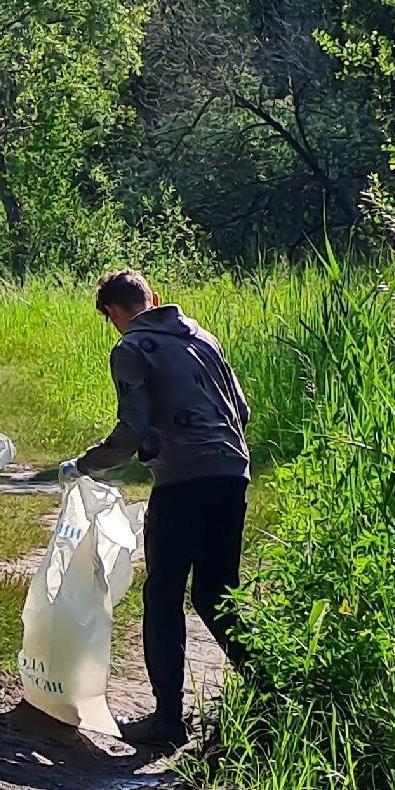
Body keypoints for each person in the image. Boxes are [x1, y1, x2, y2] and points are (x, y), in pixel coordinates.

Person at [59, 269, 252, 748]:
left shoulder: (130, 348)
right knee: (216, 595)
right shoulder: (203, 338)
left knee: (164, 594)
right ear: (156, 298)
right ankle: (277, 688)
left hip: (183, 479)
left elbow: (130, 430)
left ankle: (168, 720)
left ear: (113, 315)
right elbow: (240, 411)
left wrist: (84, 465)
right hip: (232, 472)